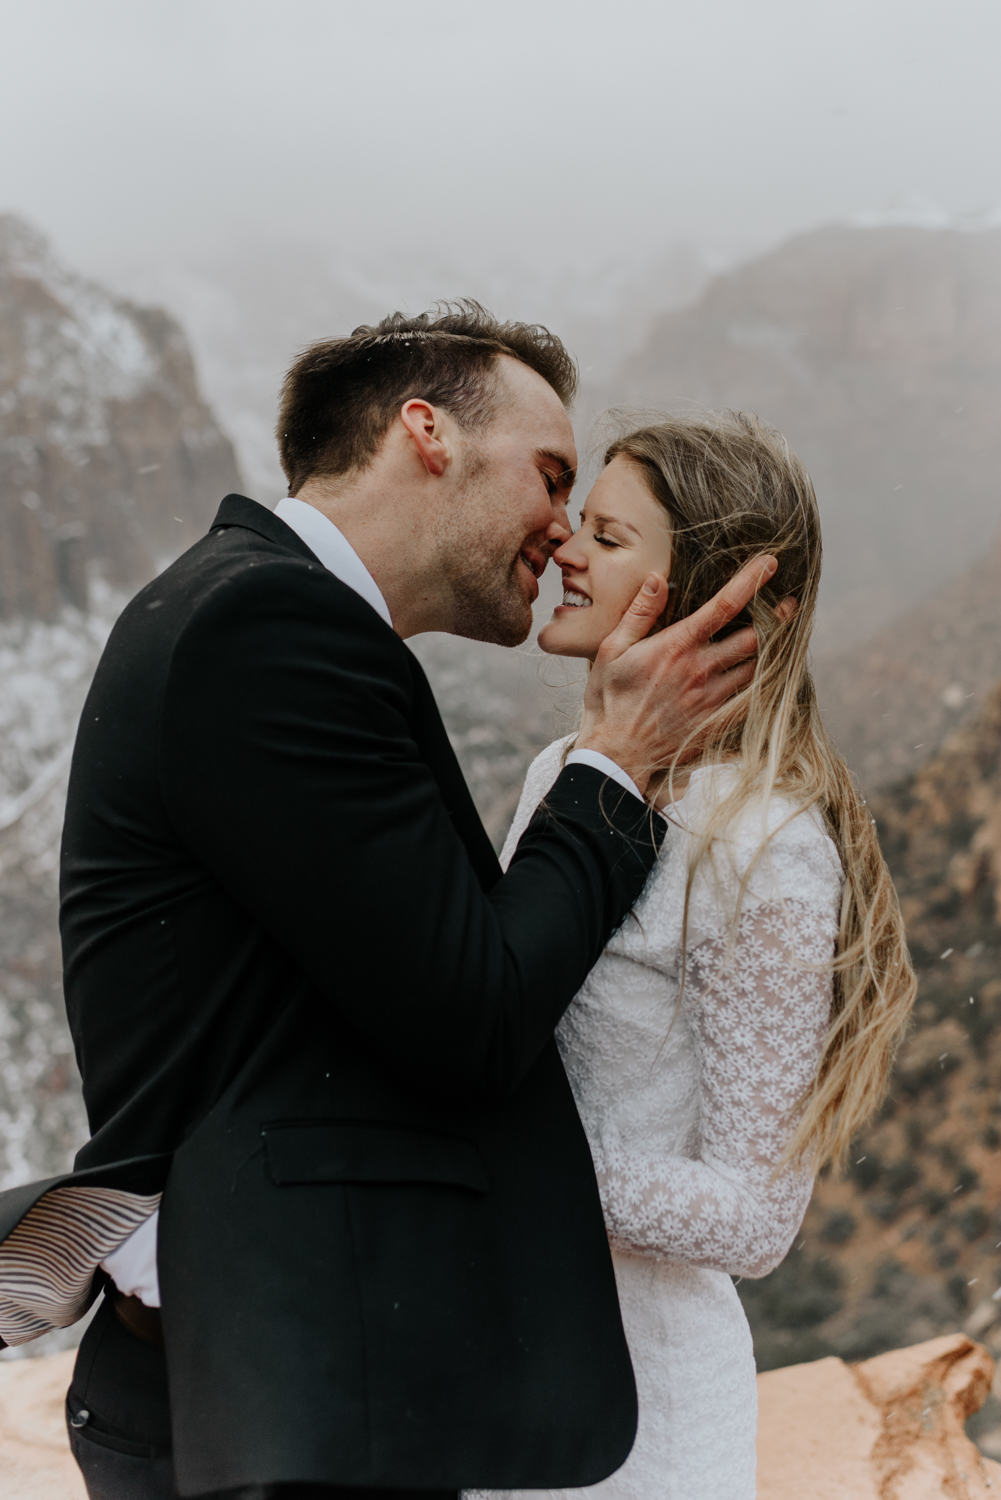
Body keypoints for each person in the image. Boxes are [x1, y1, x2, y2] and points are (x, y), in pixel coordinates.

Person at [0, 306, 774, 1500]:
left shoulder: (252, 609)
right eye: (550, 476)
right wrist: (616, 764)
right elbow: (470, 1015)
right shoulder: (268, 627)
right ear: (428, 434)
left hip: (284, 1374)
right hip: (294, 1398)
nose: (560, 532)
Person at [468, 412, 916, 1500]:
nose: (566, 549)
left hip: (640, 1401)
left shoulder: (762, 849)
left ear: (719, 605)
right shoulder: (556, 775)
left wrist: (505, 1168)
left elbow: (752, 1218)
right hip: (498, 1360)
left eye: (611, 539)